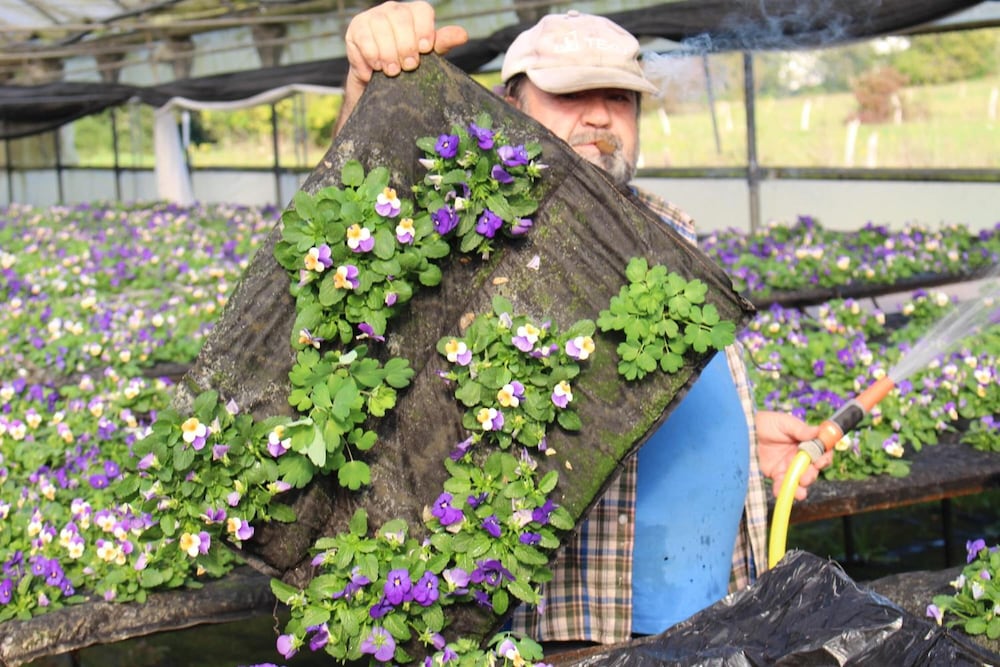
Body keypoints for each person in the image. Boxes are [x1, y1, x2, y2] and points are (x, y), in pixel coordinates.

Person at [335, 1, 832, 651]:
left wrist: (741, 436)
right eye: (571, 94)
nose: (599, 116)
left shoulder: (670, 228)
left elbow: (643, 386)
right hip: (584, 633)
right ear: (512, 106)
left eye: (619, 98)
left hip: (715, 611)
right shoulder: (474, 233)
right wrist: (359, 94)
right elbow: (357, 258)